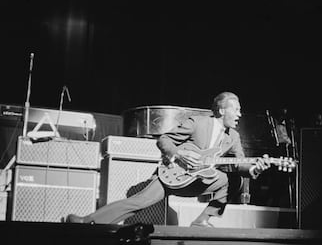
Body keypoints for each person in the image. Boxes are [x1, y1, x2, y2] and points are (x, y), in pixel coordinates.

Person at [66, 91, 272, 227]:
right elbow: (164, 139)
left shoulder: (233, 137)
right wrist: (178, 156)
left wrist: (255, 169)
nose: (240, 114)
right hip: (174, 174)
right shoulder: (197, 123)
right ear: (221, 110)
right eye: (236, 109)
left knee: (231, 180)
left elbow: (239, 163)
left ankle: (202, 221)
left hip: (197, 182)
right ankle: (86, 221)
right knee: (139, 202)